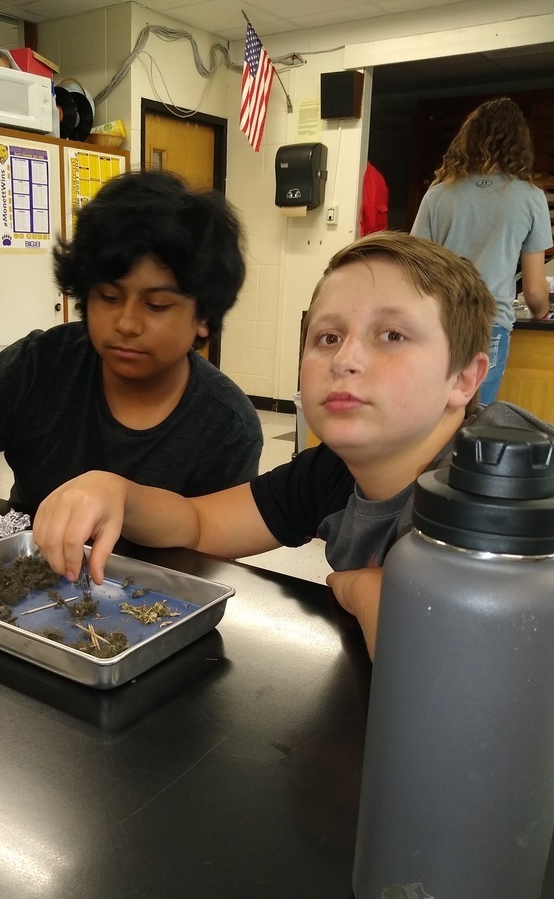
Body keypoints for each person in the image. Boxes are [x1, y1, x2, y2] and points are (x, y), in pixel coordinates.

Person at [31, 232, 554, 660]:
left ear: (465, 378)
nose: (345, 359)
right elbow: (200, 523)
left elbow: (465, 678)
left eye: (391, 335)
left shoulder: (511, 479)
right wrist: (117, 491)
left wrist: (370, 594)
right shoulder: (334, 472)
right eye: (328, 337)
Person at [0, 170, 262, 506]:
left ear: (204, 315)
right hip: (24, 587)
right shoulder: (40, 366)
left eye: (156, 305)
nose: (126, 323)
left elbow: (212, 566)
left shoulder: (227, 426)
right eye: (109, 297)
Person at [411, 96, 553, 404]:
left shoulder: (438, 194)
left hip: (439, 320)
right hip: (488, 325)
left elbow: (415, 267)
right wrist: (543, 313)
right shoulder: (530, 198)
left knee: (430, 416)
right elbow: (533, 290)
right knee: (473, 428)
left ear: (469, 137)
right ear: (520, 143)